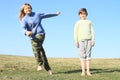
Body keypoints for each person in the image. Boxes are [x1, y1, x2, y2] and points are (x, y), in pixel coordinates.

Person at [19, 3, 60, 75]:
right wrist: (26, 32)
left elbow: (46, 15)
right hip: (32, 36)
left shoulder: (37, 14)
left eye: (29, 8)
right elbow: (22, 28)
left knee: (35, 48)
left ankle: (39, 64)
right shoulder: (24, 19)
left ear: (31, 8)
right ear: (24, 10)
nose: (28, 9)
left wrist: (55, 14)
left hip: (40, 34)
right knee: (41, 52)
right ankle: (48, 69)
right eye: (26, 8)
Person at [74, 8, 95, 76]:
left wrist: (93, 40)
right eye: (81, 14)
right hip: (80, 41)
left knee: (88, 56)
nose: (83, 15)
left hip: (89, 40)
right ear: (79, 15)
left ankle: (88, 71)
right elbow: (75, 33)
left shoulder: (89, 22)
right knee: (82, 56)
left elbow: (92, 32)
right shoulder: (77, 23)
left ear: (86, 14)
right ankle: (83, 71)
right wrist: (76, 41)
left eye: (84, 14)